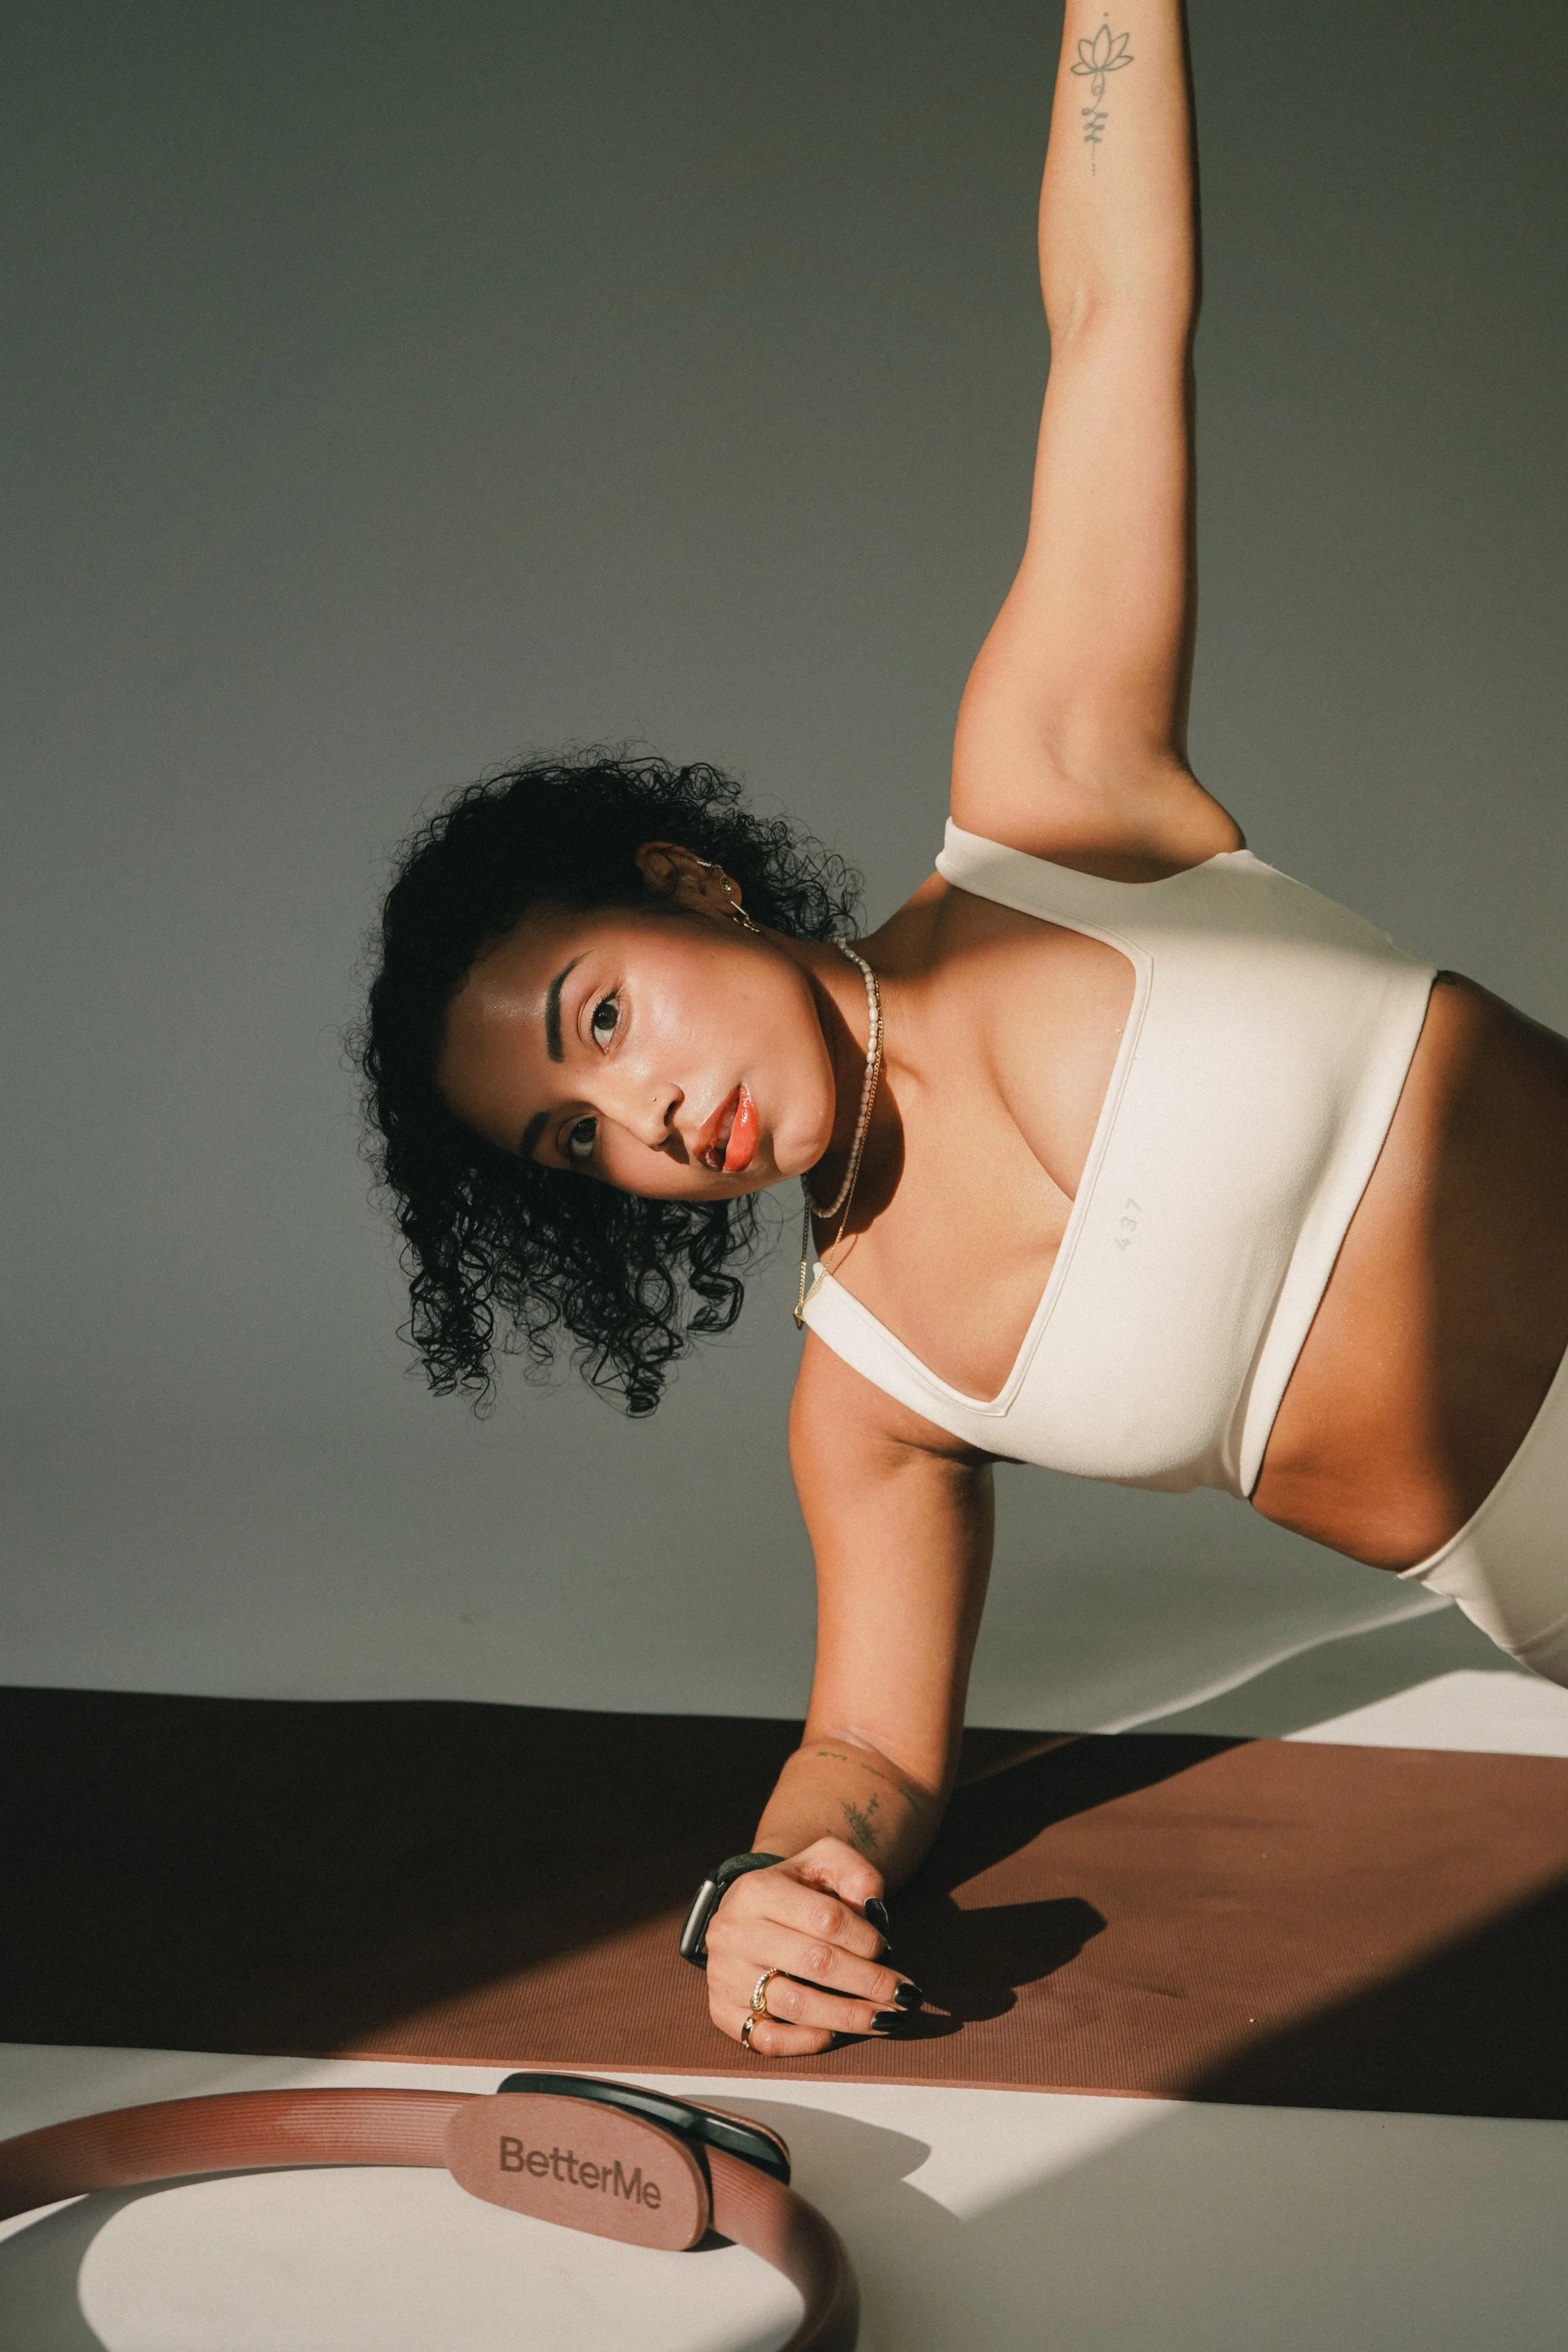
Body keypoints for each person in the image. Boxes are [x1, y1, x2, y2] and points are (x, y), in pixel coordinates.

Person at [362, 0, 1568, 2061]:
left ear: (688, 886)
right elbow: (869, 1760)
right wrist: (760, 1892)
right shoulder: (871, 1390)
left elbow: (1113, 311)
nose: (645, 1109)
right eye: (580, 1137)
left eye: (601, 1016)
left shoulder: (1054, 799)